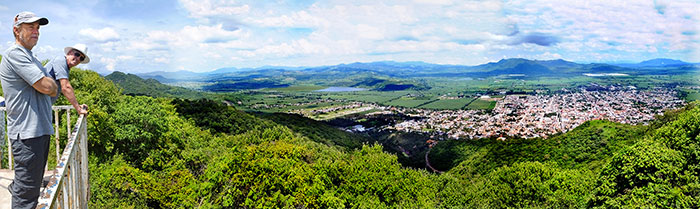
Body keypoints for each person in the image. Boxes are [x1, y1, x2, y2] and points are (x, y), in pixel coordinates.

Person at [0, 11, 56, 209]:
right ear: (17, 30)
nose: (36, 31)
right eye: (30, 27)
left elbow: (45, 86)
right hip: (27, 135)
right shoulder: (15, 54)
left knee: (31, 191)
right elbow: (48, 87)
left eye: (38, 28)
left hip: (38, 132)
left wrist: (45, 84)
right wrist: (48, 84)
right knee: (26, 198)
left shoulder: (30, 56)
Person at [46, 44, 89, 114]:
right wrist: (79, 109)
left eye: (81, 58)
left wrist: (78, 106)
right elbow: (65, 87)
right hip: (35, 106)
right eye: (77, 54)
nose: (78, 59)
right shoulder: (60, 61)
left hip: (42, 106)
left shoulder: (66, 67)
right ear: (69, 53)